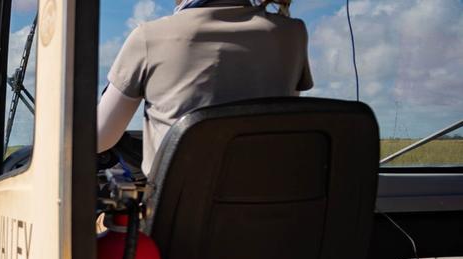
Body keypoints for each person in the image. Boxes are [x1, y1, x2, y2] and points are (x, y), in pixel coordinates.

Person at [97, 0, 312, 177]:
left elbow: (99, 138)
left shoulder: (148, 37)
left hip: (180, 220)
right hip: (275, 213)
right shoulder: (293, 34)